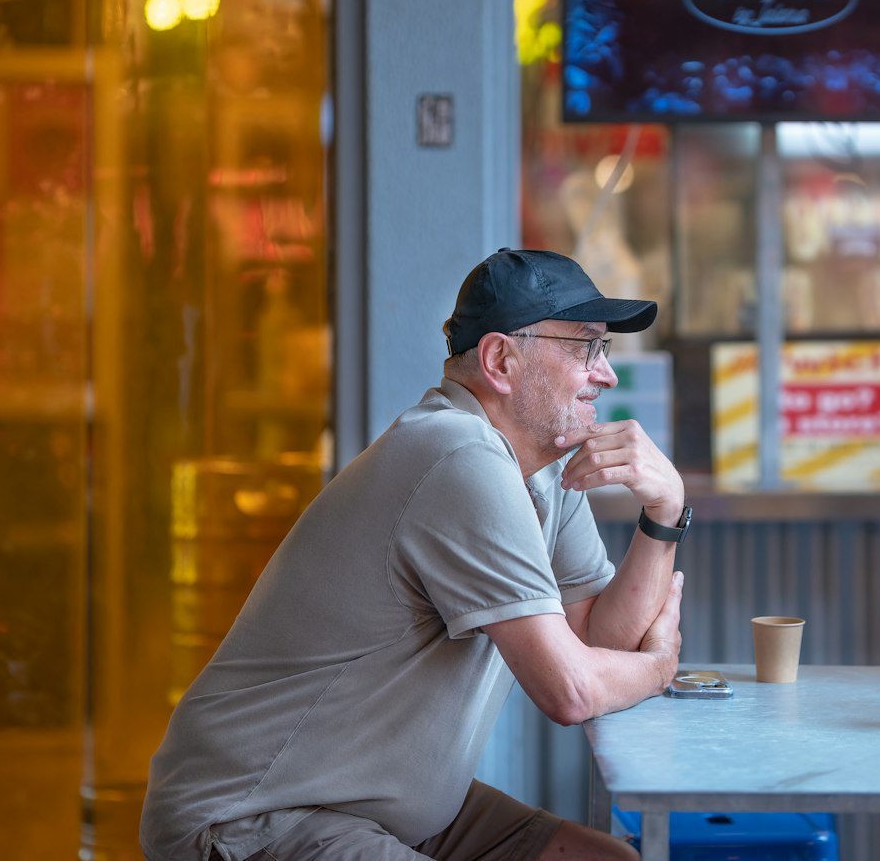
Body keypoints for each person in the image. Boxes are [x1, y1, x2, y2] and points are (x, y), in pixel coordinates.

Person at [142, 247, 691, 861]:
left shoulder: (537, 472)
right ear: (501, 359)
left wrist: (665, 512)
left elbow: (600, 645)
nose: (606, 374)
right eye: (585, 347)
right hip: (260, 815)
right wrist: (663, 665)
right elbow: (573, 691)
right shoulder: (458, 457)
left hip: (378, 801)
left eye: (604, 349)